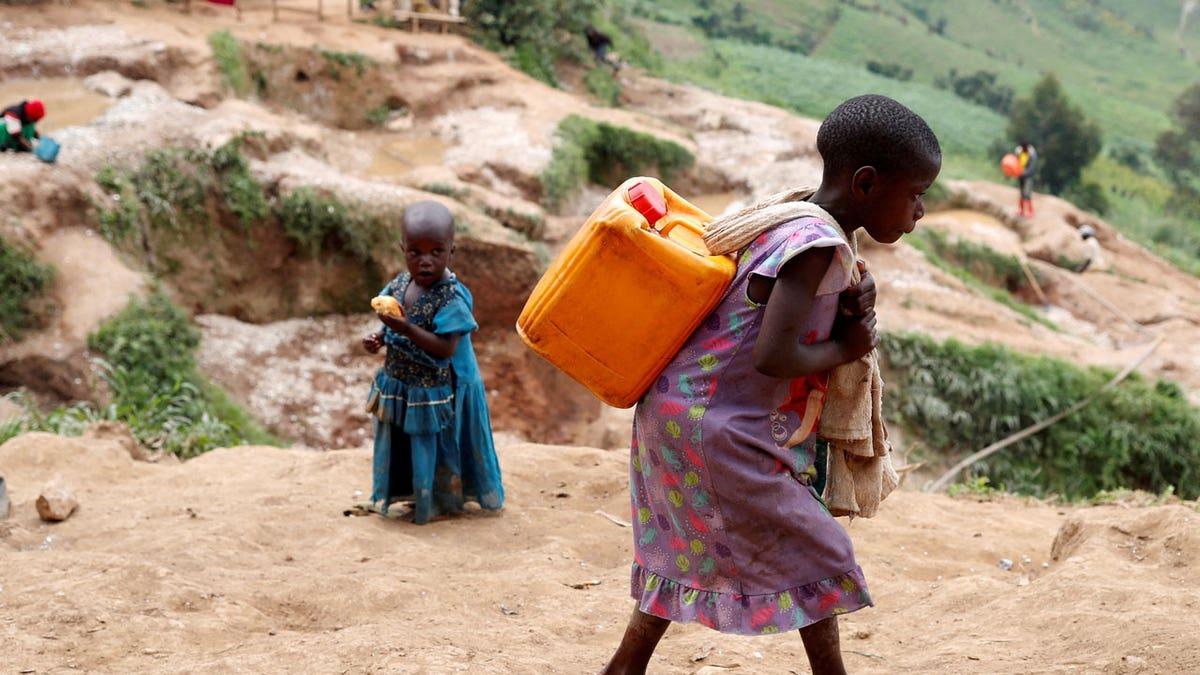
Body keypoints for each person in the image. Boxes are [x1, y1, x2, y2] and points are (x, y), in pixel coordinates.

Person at [600, 94, 941, 675]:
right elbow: (775, 354)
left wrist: (854, 300)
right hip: (719, 428)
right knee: (818, 548)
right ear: (865, 183)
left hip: (682, 410)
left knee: (683, 546)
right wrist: (850, 346)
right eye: (914, 194)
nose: (920, 211)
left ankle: (624, 668)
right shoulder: (816, 247)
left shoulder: (792, 216)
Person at [360, 200, 504, 524]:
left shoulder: (451, 298)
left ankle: (440, 501)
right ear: (403, 249)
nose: (425, 262)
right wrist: (379, 337)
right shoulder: (398, 285)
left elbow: (445, 348)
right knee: (406, 443)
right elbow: (390, 319)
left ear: (451, 251)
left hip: (439, 389)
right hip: (402, 384)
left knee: (438, 446)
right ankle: (412, 494)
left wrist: (406, 329)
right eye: (415, 252)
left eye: (436, 252)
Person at [1015, 141, 1038, 218]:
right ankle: (1021, 211)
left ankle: (1030, 212)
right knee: (1021, 194)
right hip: (1020, 176)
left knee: (1027, 194)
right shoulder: (1019, 152)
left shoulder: (1032, 155)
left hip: (1028, 177)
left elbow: (1031, 168)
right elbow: (1015, 163)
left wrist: (1023, 173)